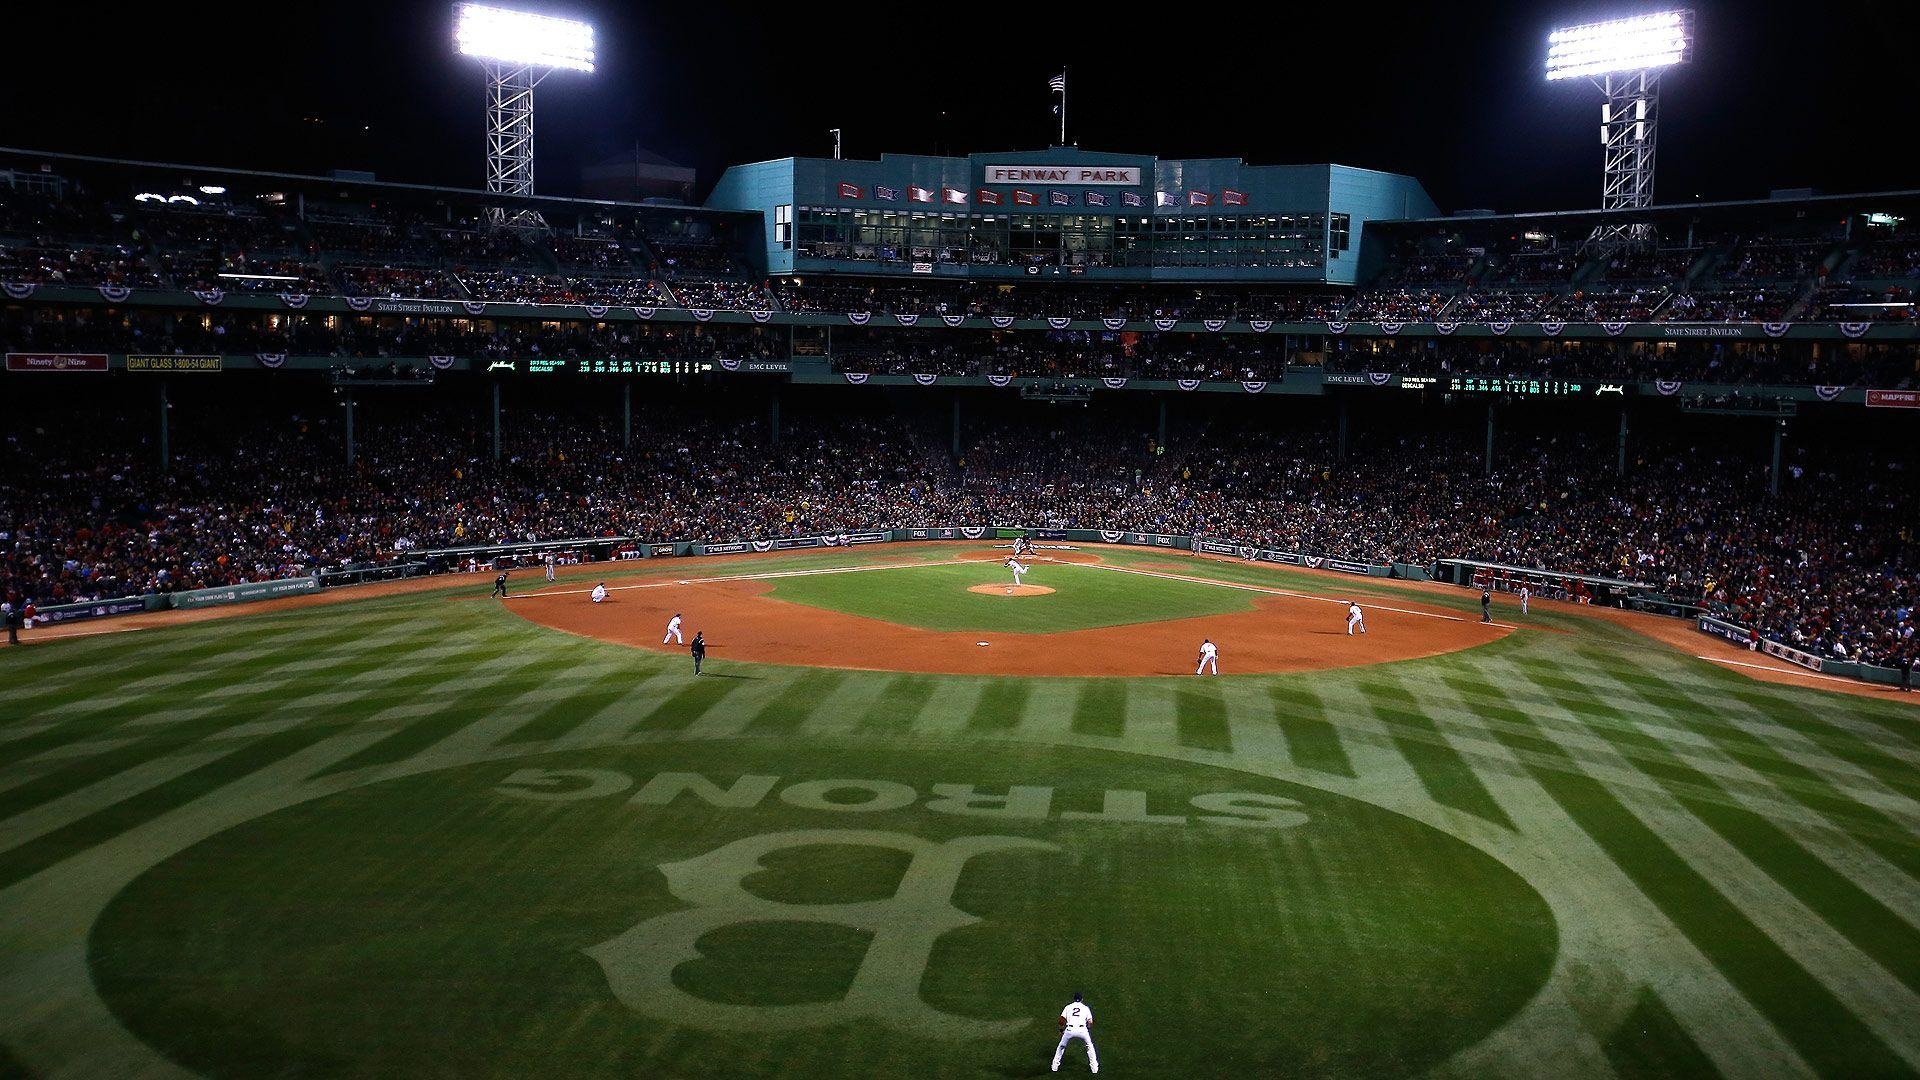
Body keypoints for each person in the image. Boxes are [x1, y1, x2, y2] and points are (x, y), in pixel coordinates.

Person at [1052, 992, 1098, 1074]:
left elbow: (1061, 1020)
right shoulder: (1085, 1008)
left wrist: (1061, 1030)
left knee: (1061, 1046)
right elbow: (1090, 1022)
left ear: (1074, 999)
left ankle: (1054, 1067)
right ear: (1082, 999)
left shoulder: (1068, 1007)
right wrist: (1087, 1028)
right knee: (1089, 1047)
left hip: (1070, 1030)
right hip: (1082, 1030)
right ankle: (1094, 1069)